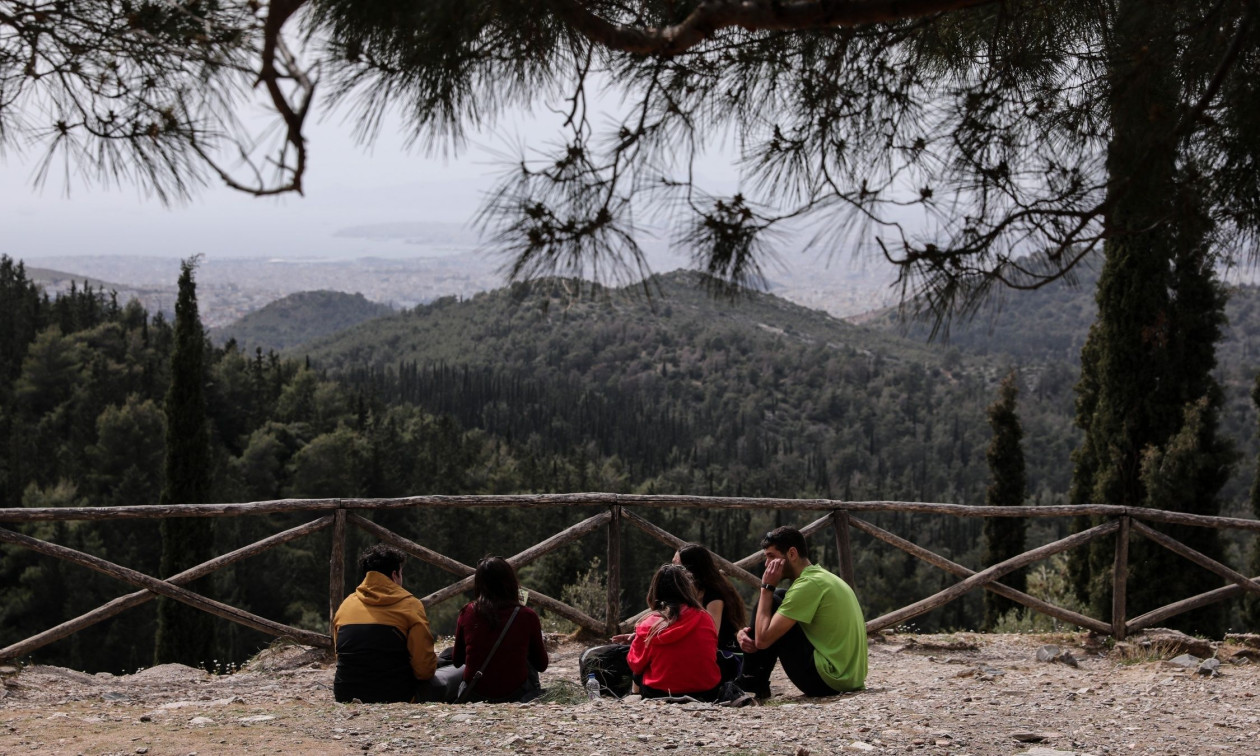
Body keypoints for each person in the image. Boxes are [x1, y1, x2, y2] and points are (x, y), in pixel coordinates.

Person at [736, 526, 867, 698]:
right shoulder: (823, 577)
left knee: (772, 598)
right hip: (850, 678)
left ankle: (750, 685)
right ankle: (752, 683)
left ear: (792, 553)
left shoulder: (808, 585)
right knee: (779, 596)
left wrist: (766, 589)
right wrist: (744, 634)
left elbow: (762, 641)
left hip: (827, 681)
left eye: (771, 556)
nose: (767, 564)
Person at [332, 543, 462, 703]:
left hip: (345, 695)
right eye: (401, 573)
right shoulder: (410, 605)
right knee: (462, 670)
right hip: (397, 695)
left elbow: (341, 656)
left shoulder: (345, 606)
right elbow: (424, 671)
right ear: (395, 575)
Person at [452, 556, 550, 703]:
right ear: (511, 582)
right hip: (516, 694)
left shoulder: (467, 612)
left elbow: (457, 661)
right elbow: (541, 665)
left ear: (479, 584)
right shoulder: (527, 616)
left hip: (475, 693)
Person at [626, 563, 722, 700]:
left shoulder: (649, 624)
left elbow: (635, 663)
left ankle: (634, 696)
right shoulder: (705, 618)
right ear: (688, 588)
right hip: (707, 692)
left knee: (640, 669)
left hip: (658, 693)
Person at [674, 543, 747, 681]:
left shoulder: (714, 596)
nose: (673, 570)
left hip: (726, 656)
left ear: (691, 569)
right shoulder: (690, 594)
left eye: (677, 566)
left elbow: (711, 635)